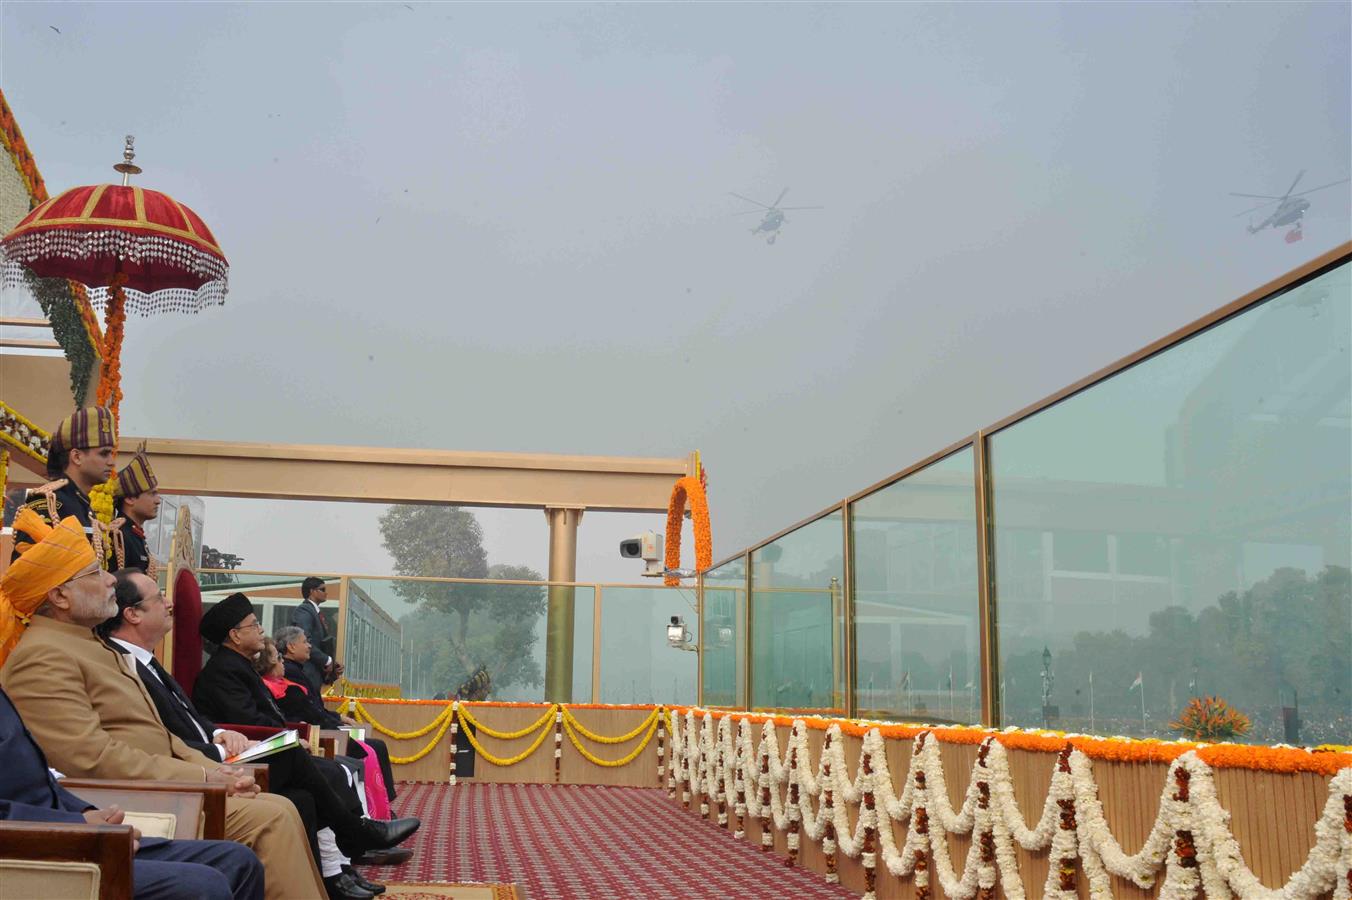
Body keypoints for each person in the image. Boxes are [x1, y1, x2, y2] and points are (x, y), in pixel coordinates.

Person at [0, 509, 327, 900]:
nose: (109, 581)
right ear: (59, 596)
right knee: (273, 816)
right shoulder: (44, 655)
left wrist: (213, 773)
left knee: (278, 807)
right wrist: (203, 781)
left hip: (164, 785)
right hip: (131, 797)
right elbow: (90, 758)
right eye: (95, 574)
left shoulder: (88, 645)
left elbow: (162, 738)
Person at [99, 572, 401, 899]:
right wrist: (220, 748)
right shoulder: (128, 663)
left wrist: (220, 732)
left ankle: (332, 876)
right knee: (293, 754)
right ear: (132, 614)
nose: (169, 602)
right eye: (159, 597)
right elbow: (161, 735)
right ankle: (354, 834)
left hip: (216, 748)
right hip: (198, 764)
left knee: (303, 796)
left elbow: (194, 719)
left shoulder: (154, 662)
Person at [192, 595, 419, 853]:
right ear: (235, 635)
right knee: (330, 772)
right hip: (240, 756)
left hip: (264, 745)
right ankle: (357, 837)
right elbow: (248, 722)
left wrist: (287, 735)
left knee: (332, 771)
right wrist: (286, 737)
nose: (262, 630)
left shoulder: (238, 666)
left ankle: (348, 853)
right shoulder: (224, 671)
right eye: (254, 625)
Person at [0, 685, 265, 900]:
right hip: (26, 850)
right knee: (204, 884)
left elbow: (40, 776)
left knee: (237, 860)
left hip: (66, 831)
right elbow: (95, 755)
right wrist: (75, 826)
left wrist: (85, 812)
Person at [259, 636, 390, 819]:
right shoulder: (276, 685)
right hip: (308, 734)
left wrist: (337, 718)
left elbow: (313, 709)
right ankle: (366, 819)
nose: (309, 645)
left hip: (311, 730)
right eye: (304, 641)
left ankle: (376, 814)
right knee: (355, 759)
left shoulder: (288, 680)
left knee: (365, 753)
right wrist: (334, 723)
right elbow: (305, 715)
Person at [11, 406, 117, 566]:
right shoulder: (49, 503)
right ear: (76, 457)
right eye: (104, 453)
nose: (111, 462)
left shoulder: (83, 504)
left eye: (111, 454)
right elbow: (28, 574)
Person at [113, 446, 161, 577]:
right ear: (129, 498)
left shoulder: (135, 535)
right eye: (152, 494)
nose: (158, 501)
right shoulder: (118, 536)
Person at [291, 577, 341, 686]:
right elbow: (304, 640)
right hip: (307, 673)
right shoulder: (304, 610)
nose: (326, 593)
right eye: (322, 589)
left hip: (315, 674)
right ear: (312, 591)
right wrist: (327, 660)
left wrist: (331, 665)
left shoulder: (315, 612)